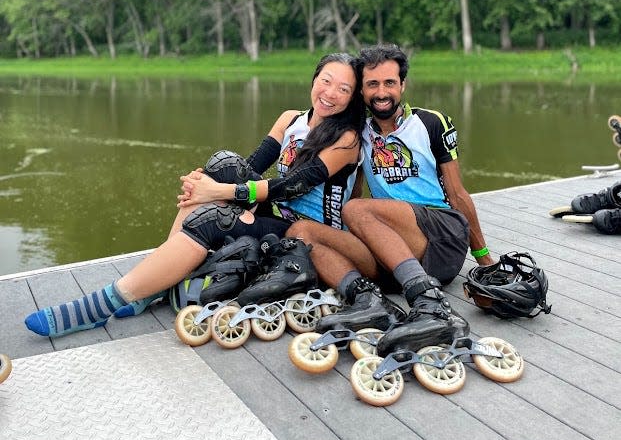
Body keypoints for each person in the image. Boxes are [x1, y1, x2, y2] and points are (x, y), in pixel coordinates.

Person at [24, 52, 376, 338]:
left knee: (211, 217)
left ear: (352, 98)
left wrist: (220, 192)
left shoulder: (345, 140)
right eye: (326, 81)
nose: (330, 93)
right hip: (276, 212)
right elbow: (250, 165)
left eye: (344, 89)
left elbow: (294, 185)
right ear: (314, 79)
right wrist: (209, 184)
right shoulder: (291, 119)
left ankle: (104, 304)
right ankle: (155, 282)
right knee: (224, 162)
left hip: (306, 229)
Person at [312, 43, 493, 338]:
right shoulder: (359, 133)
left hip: (440, 236)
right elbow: (353, 192)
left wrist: (484, 259)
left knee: (356, 210)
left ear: (403, 85)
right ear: (361, 91)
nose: (381, 92)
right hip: (395, 250)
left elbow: (458, 194)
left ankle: (430, 304)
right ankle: (369, 302)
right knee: (303, 233)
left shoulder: (431, 122)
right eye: (372, 84)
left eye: (389, 83)